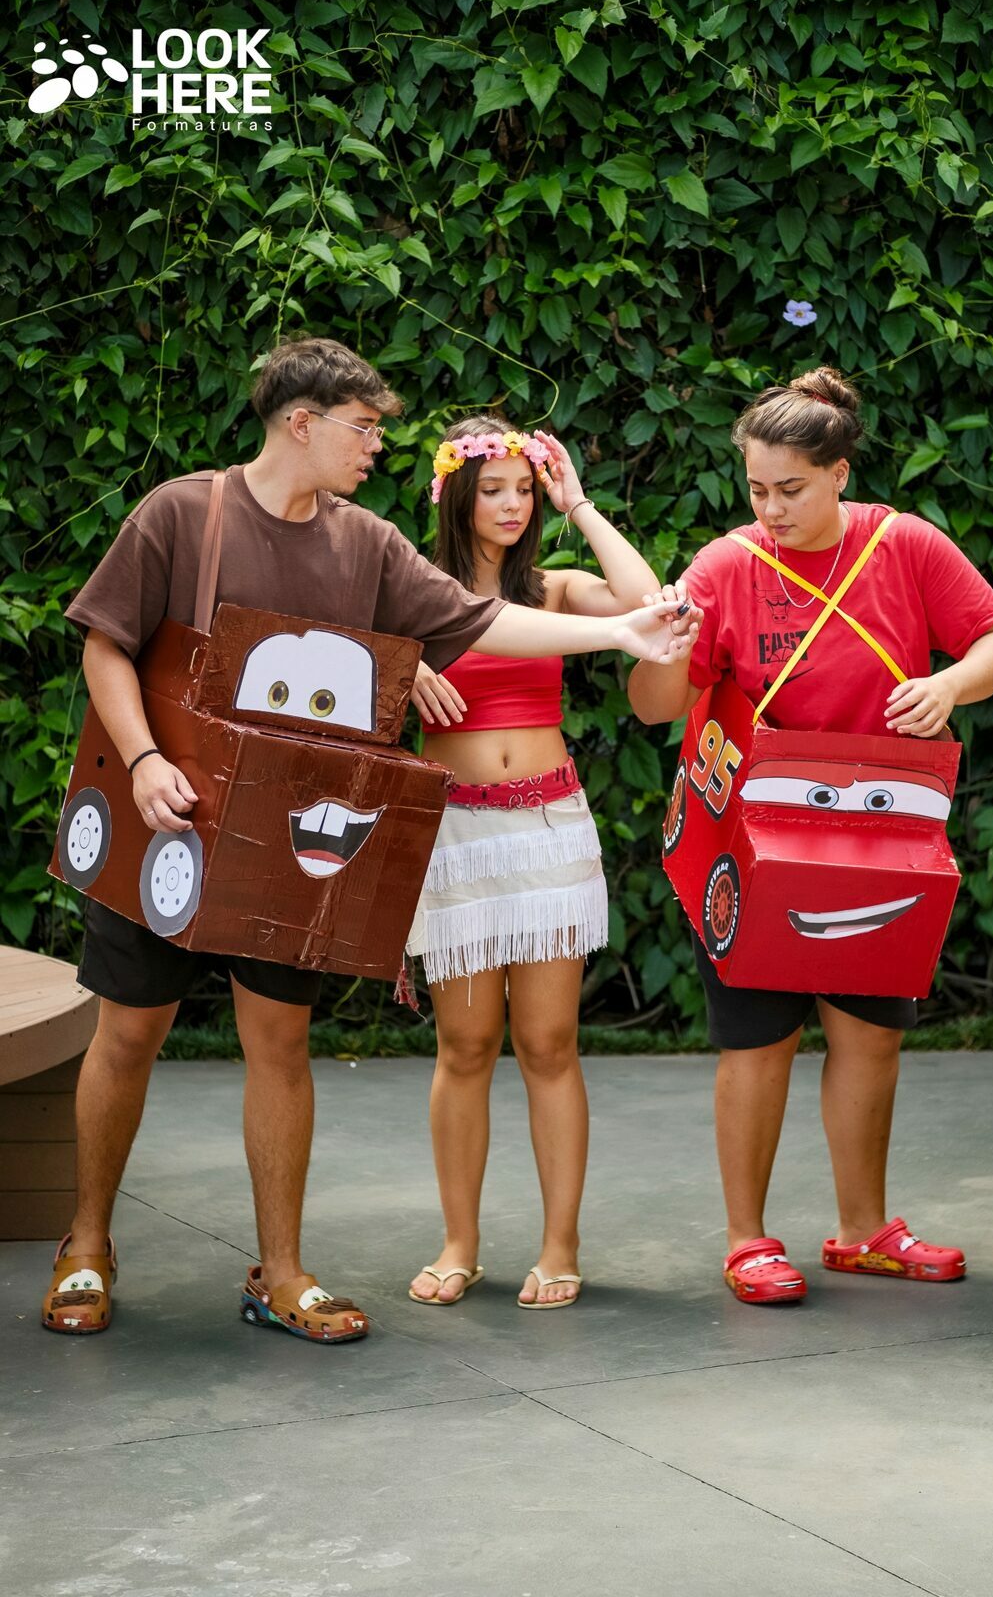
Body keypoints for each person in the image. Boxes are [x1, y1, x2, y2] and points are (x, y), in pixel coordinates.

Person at [41, 338, 697, 1343]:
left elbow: (483, 621)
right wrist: (139, 760)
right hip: (165, 818)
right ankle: (86, 1246)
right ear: (299, 423)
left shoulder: (369, 543)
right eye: (363, 427)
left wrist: (616, 634)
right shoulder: (182, 511)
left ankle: (282, 1272)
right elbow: (106, 646)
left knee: (281, 1045)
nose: (377, 445)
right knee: (128, 1033)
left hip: (290, 838)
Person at [628, 365, 993, 1306]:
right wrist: (664, 647)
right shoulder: (725, 565)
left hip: (879, 835)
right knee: (756, 1041)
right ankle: (746, 1240)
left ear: (840, 473)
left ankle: (861, 1232)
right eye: (755, 489)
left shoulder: (904, 543)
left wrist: (947, 685)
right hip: (751, 837)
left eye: (790, 490)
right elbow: (653, 707)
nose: (769, 510)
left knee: (871, 1037)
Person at [405, 418, 684, 1310]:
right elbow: (342, 661)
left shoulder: (552, 588)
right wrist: (398, 669)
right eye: (494, 490)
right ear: (455, 493)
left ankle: (560, 1245)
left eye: (524, 491)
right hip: (453, 832)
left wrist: (580, 505)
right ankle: (459, 1242)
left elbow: (648, 605)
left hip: (548, 828)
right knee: (463, 1045)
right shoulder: (413, 591)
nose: (513, 506)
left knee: (549, 1044)